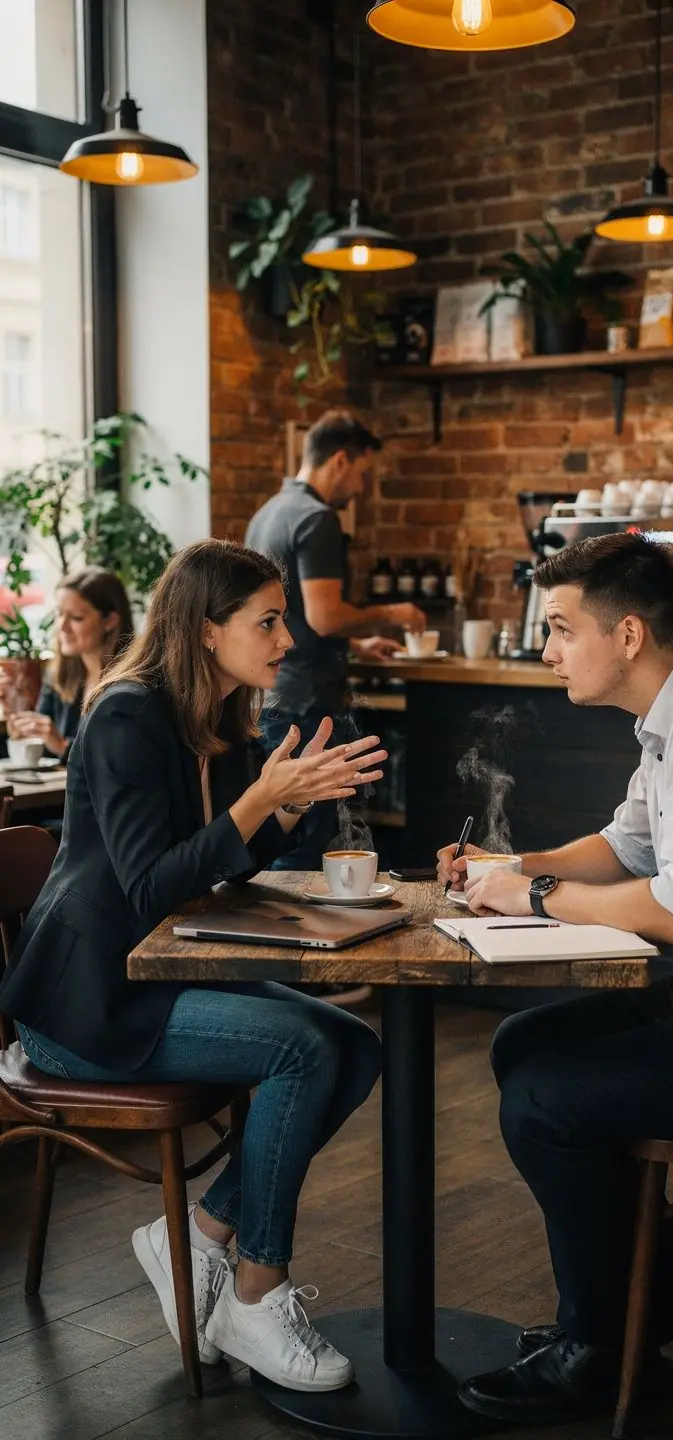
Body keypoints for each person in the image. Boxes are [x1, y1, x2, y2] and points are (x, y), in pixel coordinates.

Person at [437, 532, 673, 1428]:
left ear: (631, 634)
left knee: (546, 1101)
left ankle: (597, 1344)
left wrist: (529, 893)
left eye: (563, 628)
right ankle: (671, 1291)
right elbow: (626, 846)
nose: (549, 648)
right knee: (527, 1042)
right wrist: (507, 860)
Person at [0, 539, 386, 1392]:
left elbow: (229, 869)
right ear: (207, 630)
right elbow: (148, 887)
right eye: (269, 621)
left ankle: (203, 1234)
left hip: (160, 980)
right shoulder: (126, 715)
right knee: (308, 1048)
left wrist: (294, 806)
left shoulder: (223, 717)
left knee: (357, 1046)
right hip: (86, 1008)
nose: (288, 639)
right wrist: (260, 803)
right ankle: (257, 1292)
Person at [246, 409, 426, 867]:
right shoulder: (318, 518)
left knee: (275, 828)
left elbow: (293, 618)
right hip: (308, 705)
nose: (362, 488)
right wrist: (391, 614)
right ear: (340, 460)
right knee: (306, 840)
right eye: (363, 473)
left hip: (270, 696)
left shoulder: (268, 513)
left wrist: (358, 646)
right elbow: (324, 617)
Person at [4, 566, 133, 761]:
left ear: (110, 621)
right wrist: (20, 728)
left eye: (76, 618)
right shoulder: (58, 677)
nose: (62, 627)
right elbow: (45, 750)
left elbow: (122, 760)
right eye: (59, 614)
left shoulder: (134, 686)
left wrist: (63, 746)